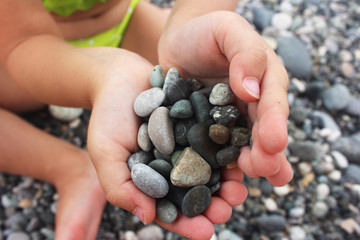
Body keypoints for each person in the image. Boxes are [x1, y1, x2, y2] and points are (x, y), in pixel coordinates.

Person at [0, 0, 293, 239]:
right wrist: (100, 74)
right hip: (30, 49)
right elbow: (22, 42)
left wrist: (190, 18)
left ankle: (173, 32)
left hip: (125, 22)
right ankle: (67, 166)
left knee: (189, 55)